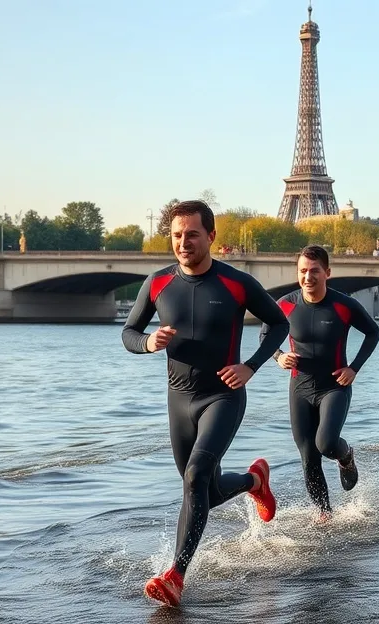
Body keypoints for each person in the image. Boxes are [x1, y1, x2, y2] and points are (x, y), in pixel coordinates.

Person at [121, 200, 288, 608]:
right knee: (202, 490)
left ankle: (176, 574)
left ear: (211, 236)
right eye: (176, 236)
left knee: (196, 477)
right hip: (178, 399)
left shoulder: (236, 283)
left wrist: (250, 366)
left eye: (192, 234)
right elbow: (129, 331)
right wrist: (147, 343)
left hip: (223, 395)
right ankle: (254, 482)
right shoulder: (158, 284)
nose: (183, 242)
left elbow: (280, 323)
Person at [263, 245, 379, 520]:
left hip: (334, 386)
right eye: (303, 271)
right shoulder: (285, 304)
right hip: (300, 387)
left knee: (325, 443)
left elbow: (373, 334)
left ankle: (346, 456)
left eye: (314, 271)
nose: (308, 277)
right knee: (308, 455)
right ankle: (324, 513)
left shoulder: (344, 305)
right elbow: (265, 337)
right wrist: (278, 356)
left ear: (327, 273)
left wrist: (354, 368)